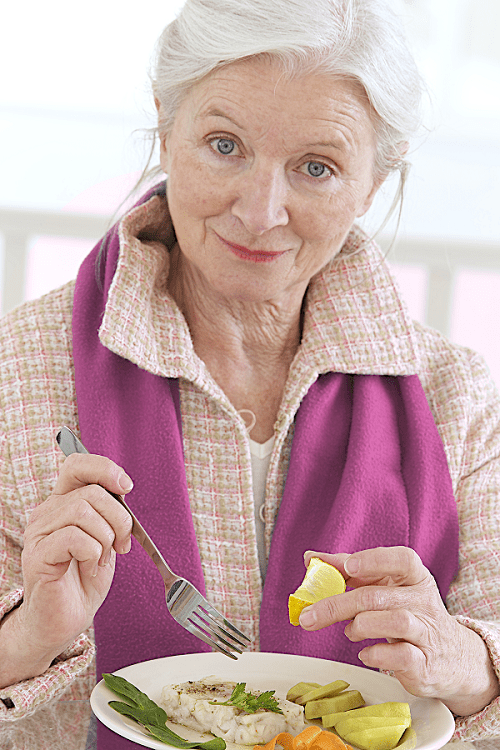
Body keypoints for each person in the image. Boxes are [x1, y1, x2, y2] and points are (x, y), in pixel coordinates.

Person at [1, 0, 500, 748]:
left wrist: (467, 661)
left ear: (374, 181)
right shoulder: (18, 367)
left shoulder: (457, 395)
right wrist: (29, 636)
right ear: (166, 125)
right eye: (224, 144)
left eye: (317, 167)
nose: (262, 210)